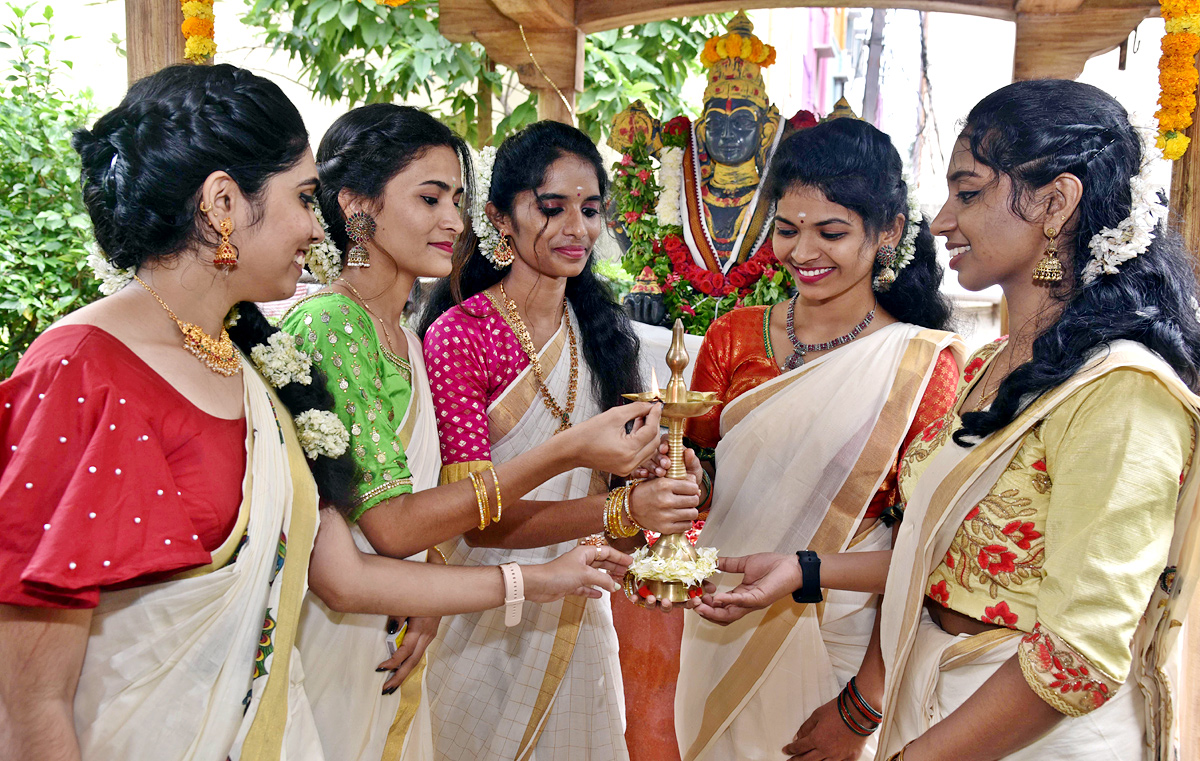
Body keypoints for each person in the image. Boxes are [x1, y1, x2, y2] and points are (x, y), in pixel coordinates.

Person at [0, 64, 640, 761]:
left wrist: (539, 578)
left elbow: (341, 573)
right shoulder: (81, 367)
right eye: (304, 198)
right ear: (221, 203)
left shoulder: (251, 351)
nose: (316, 225)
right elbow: (31, 701)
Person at [695, 80, 1200, 761]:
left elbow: (1077, 656)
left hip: (1027, 736)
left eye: (968, 192)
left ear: (1056, 203)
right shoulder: (993, 365)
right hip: (930, 695)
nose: (940, 220)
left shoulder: (1122, 391)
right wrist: (806, 574)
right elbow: (930, 553)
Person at [281, 104, 688, 761]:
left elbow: (417, 514)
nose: (452, 219)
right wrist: (580, 467)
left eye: (457, 198)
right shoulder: (365, 326)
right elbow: (399, 523)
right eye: (430, 197)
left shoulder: (403, 334)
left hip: (441, 609)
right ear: (358, 207)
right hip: (377, 623)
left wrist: (651, 485)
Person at [673, 118, 963, 761]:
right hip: (723, 609)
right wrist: (684, 480)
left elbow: (929, 547)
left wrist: (866, 700)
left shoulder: (920, 367)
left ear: (887, 232)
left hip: (840, 632)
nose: (804, 252)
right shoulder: (733, 335)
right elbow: (702, 474)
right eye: (787, 229)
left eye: (831, 232)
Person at [418, 120, 703, 761]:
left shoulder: (605, 336)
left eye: (590, 209)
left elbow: (628, 525)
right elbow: (475, 523)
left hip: (577, 606)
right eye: (552, 208)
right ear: (501, 218)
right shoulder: (460, 336)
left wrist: (661, 485)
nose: (576, 227)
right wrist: (621, 509)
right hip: (478, 612)